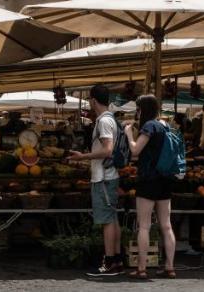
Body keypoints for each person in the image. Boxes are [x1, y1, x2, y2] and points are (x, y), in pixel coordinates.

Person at [67, 84, 122, 278]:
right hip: (109, 176)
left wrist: (82, 157)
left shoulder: (104, 121)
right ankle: (116, 259)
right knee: (112, 218)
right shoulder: (109, 119)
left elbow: (107, 150)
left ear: (93, 100)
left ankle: (108, 262)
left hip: (104, 178)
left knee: (107, 220)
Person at [126, 95, 177, 280]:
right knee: (166, 225)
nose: (136, 112)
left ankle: (141, 268)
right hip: (165, 179)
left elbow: (135, 150)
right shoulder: (165, 125)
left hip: (148, 180)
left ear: (143, 109)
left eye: (138, 109)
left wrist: (129, 134)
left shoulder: (148, 126)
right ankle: (170, 267)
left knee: (145, 226)